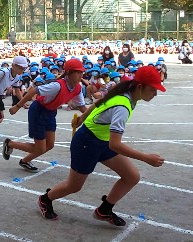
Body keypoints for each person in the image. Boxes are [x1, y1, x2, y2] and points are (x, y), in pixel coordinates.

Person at [37, 66, 165, 225]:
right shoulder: (123, 105)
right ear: (140, 86)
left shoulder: (126, 95)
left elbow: (98, 104)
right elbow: (116, 144)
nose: (155, 94)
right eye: (153, 89)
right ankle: (45, 199)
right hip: (87, 143)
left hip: (102, 141)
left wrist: (83, 117)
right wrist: (146, 158)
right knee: (74, 186)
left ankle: (104, 210)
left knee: (132, 176)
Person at [2, 59, 88, 172]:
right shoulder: (57, 86)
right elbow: (33, 91)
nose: (81, 75)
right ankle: (10, 144)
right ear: (69, 73)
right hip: (38, 111)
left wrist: (92, 118)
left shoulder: (77, 88)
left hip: (51, 113)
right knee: (40, 147)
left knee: (50, 144)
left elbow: (82, 107)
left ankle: (25, 161)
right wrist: (18, 106)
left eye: (82, 72)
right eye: (78, 72)